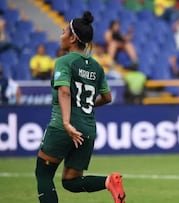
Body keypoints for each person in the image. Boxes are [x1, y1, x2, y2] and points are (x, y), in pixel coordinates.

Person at [34, 11, 126, 203]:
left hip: (63, 127)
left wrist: (67, 123)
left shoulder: (63, 62)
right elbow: (107, 97)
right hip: (87, 129)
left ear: (73, 38)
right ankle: (109, 181)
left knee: (43, 174)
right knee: (71, 181)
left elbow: (65, 92)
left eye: (63, 32)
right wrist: (88, 105)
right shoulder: (97, 67)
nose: (61, 35)